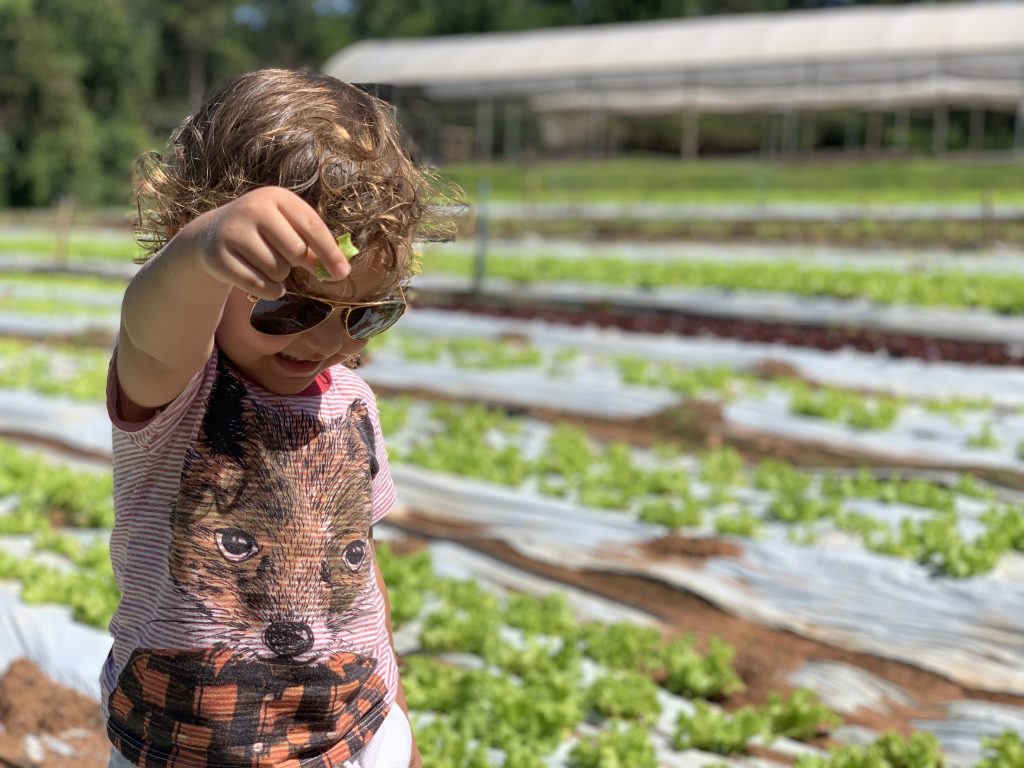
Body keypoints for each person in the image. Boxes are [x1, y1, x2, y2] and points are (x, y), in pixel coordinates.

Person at [103, 69, 439, 768]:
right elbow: (151, 323)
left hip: (344, 730)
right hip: (188, 743)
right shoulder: (178, 391)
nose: (324, 342)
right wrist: (200, 252)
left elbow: (356, 559)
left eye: (364, 314)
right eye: (291, 307)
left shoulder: (349, 398)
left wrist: (389, 702)